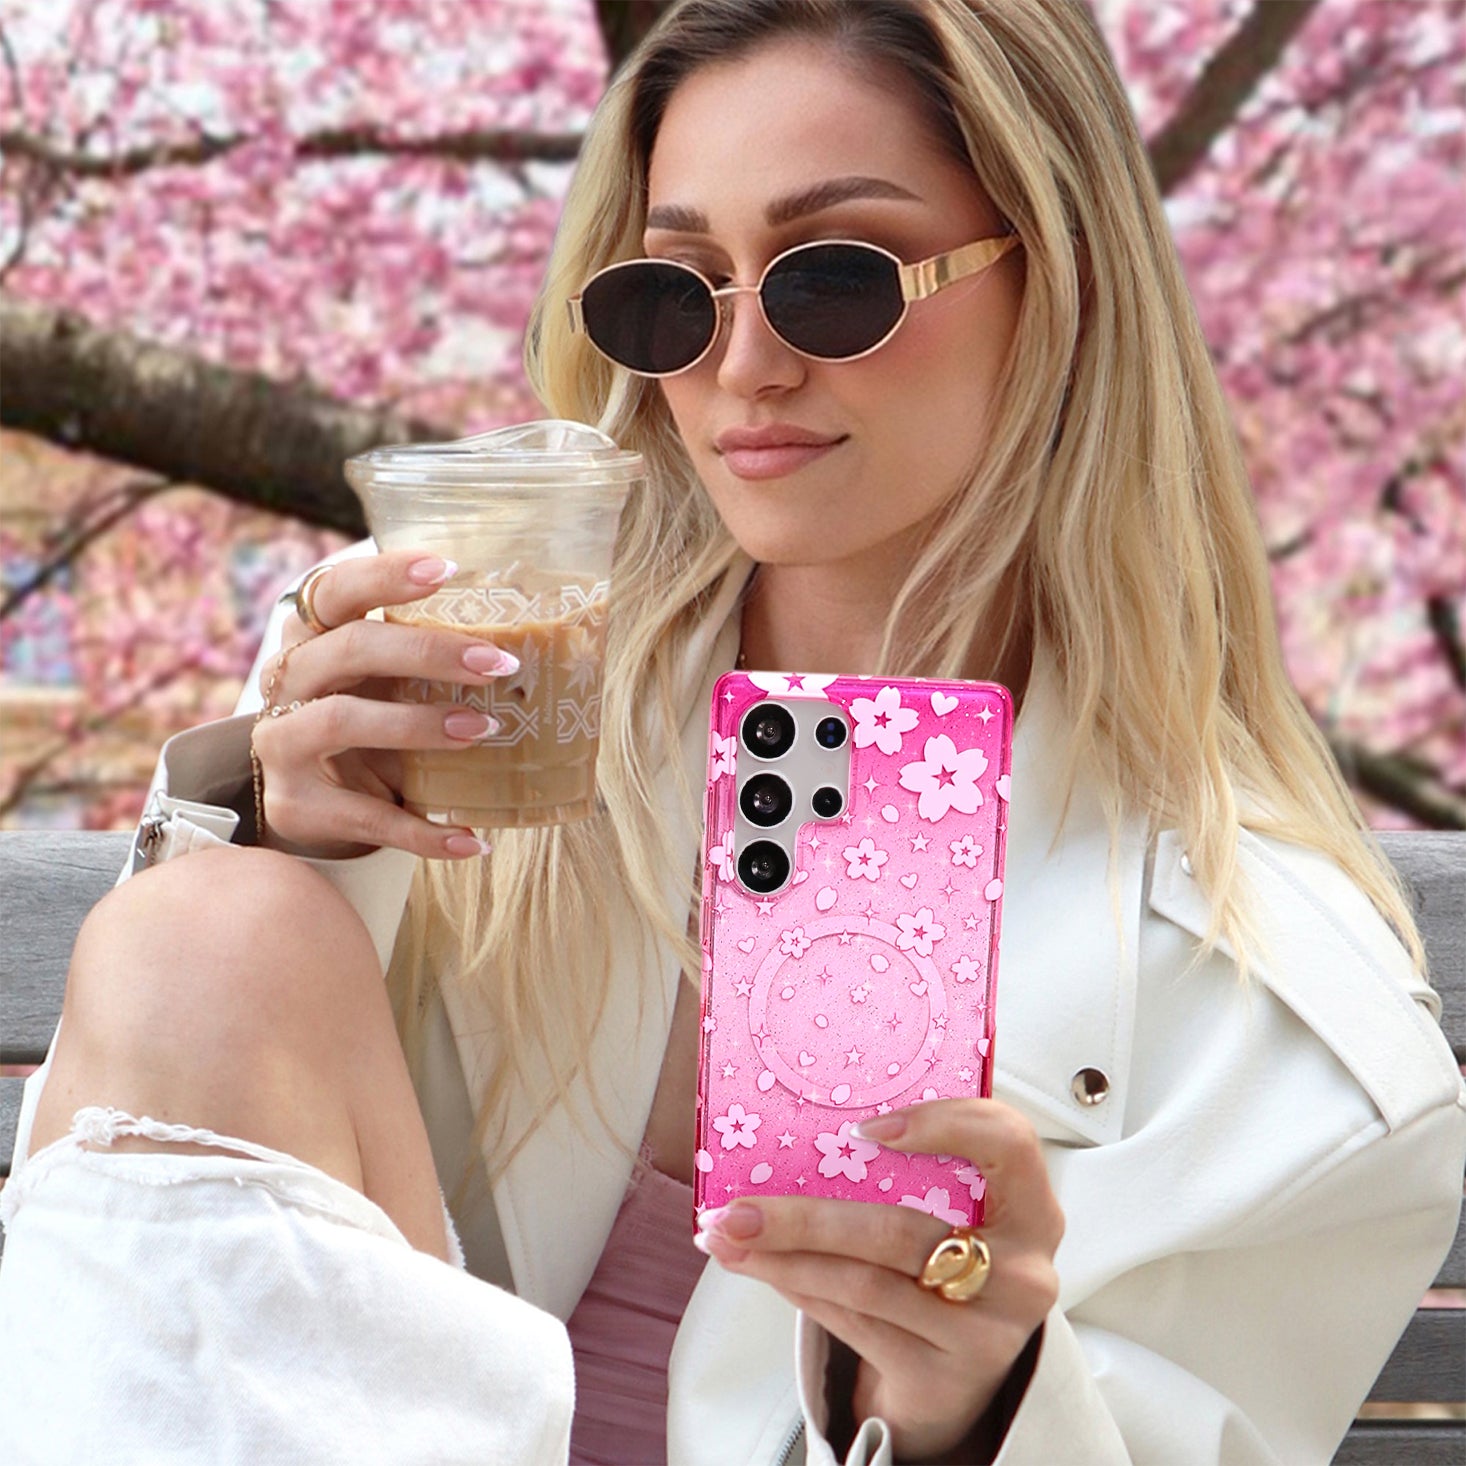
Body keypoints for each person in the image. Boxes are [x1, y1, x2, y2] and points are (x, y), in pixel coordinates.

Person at [2, 1, 1462, 1462]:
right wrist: (294, 835)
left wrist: (974, 1412)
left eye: (835, 279)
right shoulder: (455, 689)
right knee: (207, 936)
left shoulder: (1288, 1028)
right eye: (678, 292)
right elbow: (131, 1319)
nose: (743, 364)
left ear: (1059, 280)